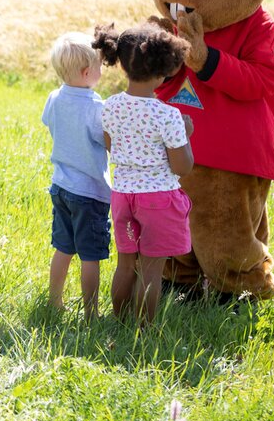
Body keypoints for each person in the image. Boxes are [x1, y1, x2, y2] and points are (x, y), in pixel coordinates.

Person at [93, 20, 195, 324]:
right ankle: (144, 331)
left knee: (125, 265)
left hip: (123, 198)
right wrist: (186, 134)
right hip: (158, 201)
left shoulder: (110, 107)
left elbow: (111, 145)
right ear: (163, 70)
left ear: (123, 66)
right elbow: (182, 166)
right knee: (151, 270)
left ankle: (120, 322)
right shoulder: (169, 115)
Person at [41, 32, 111, 320]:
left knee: (63, 248)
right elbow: (108, 141)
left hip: (61, 185)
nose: (102, 70)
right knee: (90, 256)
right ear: (87, 73)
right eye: (99, 66)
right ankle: (91, 314)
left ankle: (54, 300)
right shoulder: (96, 108)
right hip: (89, 191)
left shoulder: (55, 97)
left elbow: (49, 121)